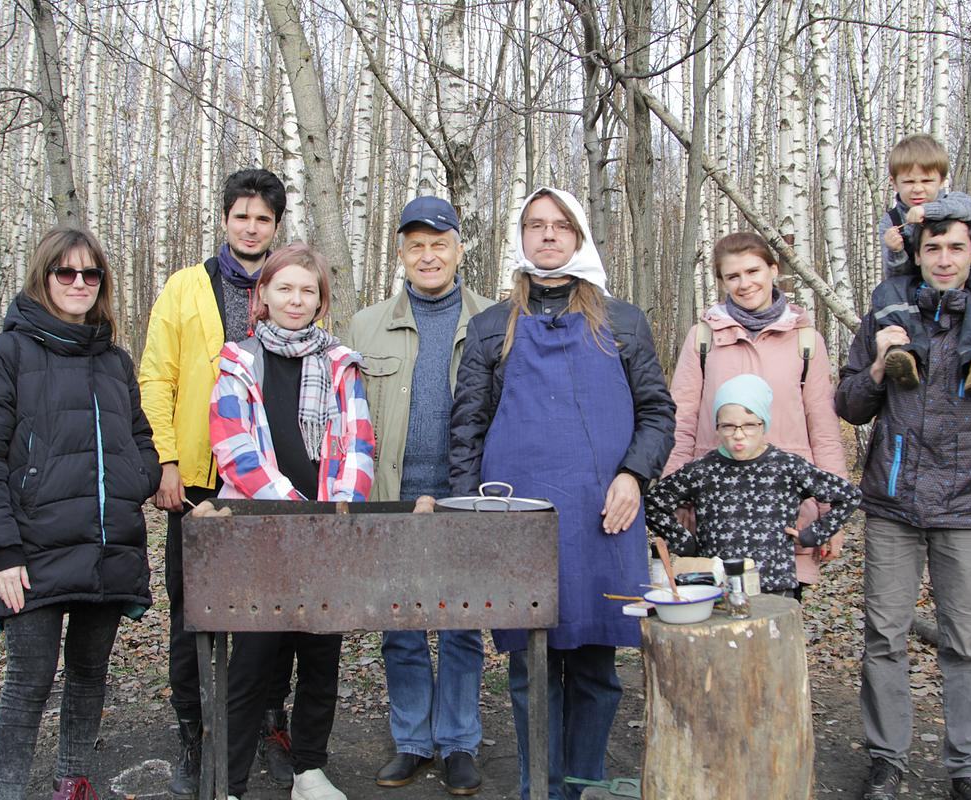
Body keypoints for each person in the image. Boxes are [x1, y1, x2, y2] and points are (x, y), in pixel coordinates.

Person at [450, 187, 675, 800]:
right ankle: (538, 787)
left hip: (605, 515)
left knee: (597, 665)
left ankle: (586, 787)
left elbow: (657, 413)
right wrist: (471, 514)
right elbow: (467, 426)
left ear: (578, 238)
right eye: (534, 225)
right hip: (518, 520)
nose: (547, 236)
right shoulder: (491, 325)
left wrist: (634, 474)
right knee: (532, 667)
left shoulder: (622, 320)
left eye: (560, 226)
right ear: (519, 239)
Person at [836, 216, 971, 800]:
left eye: (957, 248)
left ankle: (970, 767)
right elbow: (848, 403)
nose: (945, 258)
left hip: (966, 504)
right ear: (919, 254)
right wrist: (878, 365)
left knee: (965, 642)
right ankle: (886, 760)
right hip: (893, 503)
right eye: (934, 248)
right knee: (883, 636)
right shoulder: (887, 318)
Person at [0, 227, 161, 800]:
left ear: (102, 283)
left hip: (106, 546)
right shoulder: (10, 353)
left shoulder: (115, 360)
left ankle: (71, 781)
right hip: (33, 549)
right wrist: (2, 551)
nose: (78, 283)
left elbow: (140, 437)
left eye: (90, 274)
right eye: (65, 273)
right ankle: (6, 791)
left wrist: (135, 481)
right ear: (43, 277)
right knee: (28, 681)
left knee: (89, 674)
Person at [138, 168, 307, 795]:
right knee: (194, 608)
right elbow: (157, 376)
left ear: (275, 226)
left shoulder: (288, 283)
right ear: (225, 219)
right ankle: (196, 730)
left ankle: (269, 720)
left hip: (274, 480)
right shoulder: (186, 288)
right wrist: (167, 461)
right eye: (242, 215)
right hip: (201, 479)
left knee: (278, 606)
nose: (251, 226)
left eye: (263, 218)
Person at [209, 242, 374, 800]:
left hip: (326, 534)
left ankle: (309, 769)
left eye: (308, 290)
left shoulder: (340, 364)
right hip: (260, 531)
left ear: (321, 299)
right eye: (285, 288)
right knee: (253, 662)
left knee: (320, 655)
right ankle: (227, 782)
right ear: (263, 297)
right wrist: (293, 509)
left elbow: (358, 443)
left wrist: (334, 513)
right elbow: (234, 449)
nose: (296, 299)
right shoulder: (239, 360)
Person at [344, 196, 493, 795]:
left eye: (439, 244)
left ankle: (458, 742)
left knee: (461, 622)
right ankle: (411, 740)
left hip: (465, 495)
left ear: (460, 249)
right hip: (392, 495)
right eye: (416, 246)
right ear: (400, 254)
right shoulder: (364, 325)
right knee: (400, 625)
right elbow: (347, 418)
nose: (428, 256)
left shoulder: (494, 319)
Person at [664, 231, 847, 599]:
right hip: (715, 509)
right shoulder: (703, 339)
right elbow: (680, 423)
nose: (745, 284)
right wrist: (675, 502)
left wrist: (829, 517)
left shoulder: (805, 341)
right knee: (713, 631)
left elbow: (824, 431)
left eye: (753, 271)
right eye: (733, 276)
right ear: (721, 281)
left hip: (784, 510)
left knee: (775, 631)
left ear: (773, 270)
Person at [645, 374, 860, 596]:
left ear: (763, 424)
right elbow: (652, 503)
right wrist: (685, 543)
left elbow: (848, 496)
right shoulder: (702, 470)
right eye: (728, 426)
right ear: (717, 428)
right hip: (717, 589)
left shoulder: (787, 467)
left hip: (776, 588)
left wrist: (813, 535)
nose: (738, 435)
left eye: (749, 425)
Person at [874, 133, 971, 396]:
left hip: (963, 276)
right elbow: (895, 273)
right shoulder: (890, 220)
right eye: (909, 181)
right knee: (886, 292)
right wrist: (897, 252)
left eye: (927, 181)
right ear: (894, 183)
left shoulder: (953, 201)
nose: (918, 189)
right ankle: (905, 354)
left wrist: (929, 212)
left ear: (941, 181)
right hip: (914, 279)